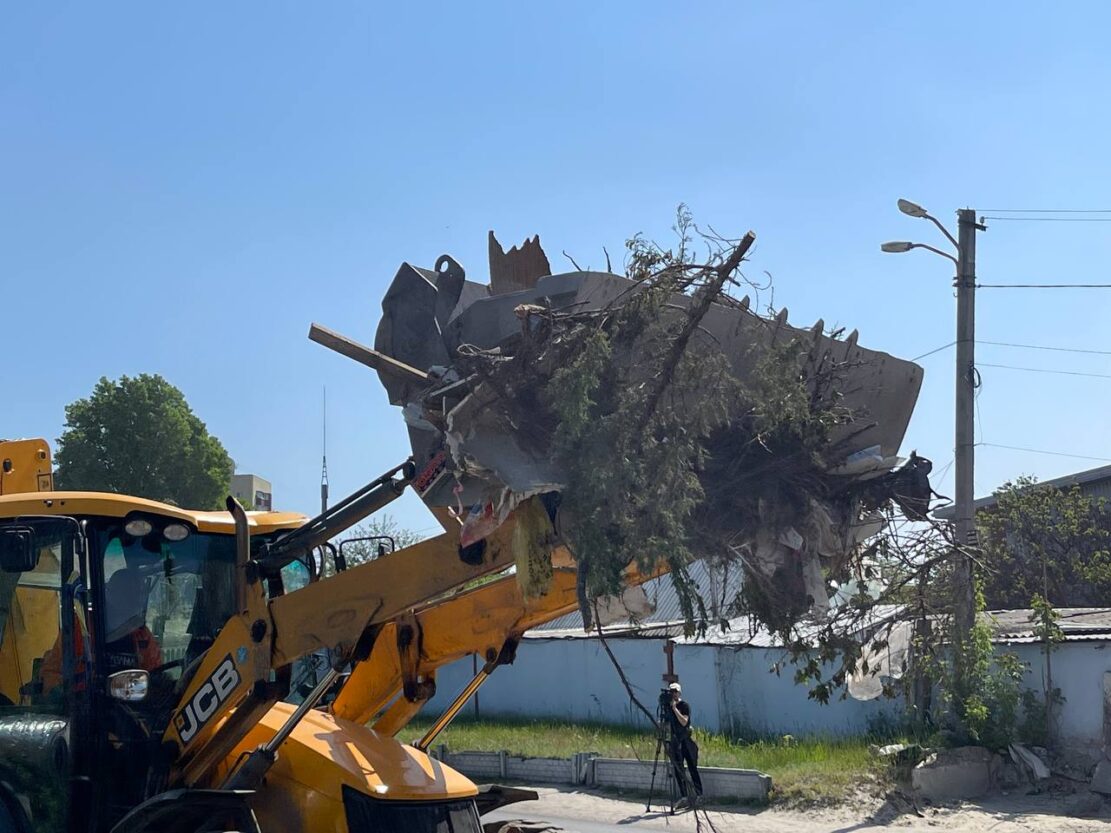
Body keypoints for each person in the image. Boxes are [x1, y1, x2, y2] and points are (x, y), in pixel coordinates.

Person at [665, 681, 703, 808]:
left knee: (692, 767)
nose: (673, 694)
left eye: (675, 691)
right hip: (675, 741)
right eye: (671, 692)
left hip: (685, 740)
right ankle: (684, 796)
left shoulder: (684, 705)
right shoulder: (667, 708)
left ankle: (699, 795)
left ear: (679, 692)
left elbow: (684, 722)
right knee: (678, 769)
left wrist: (675, 709)